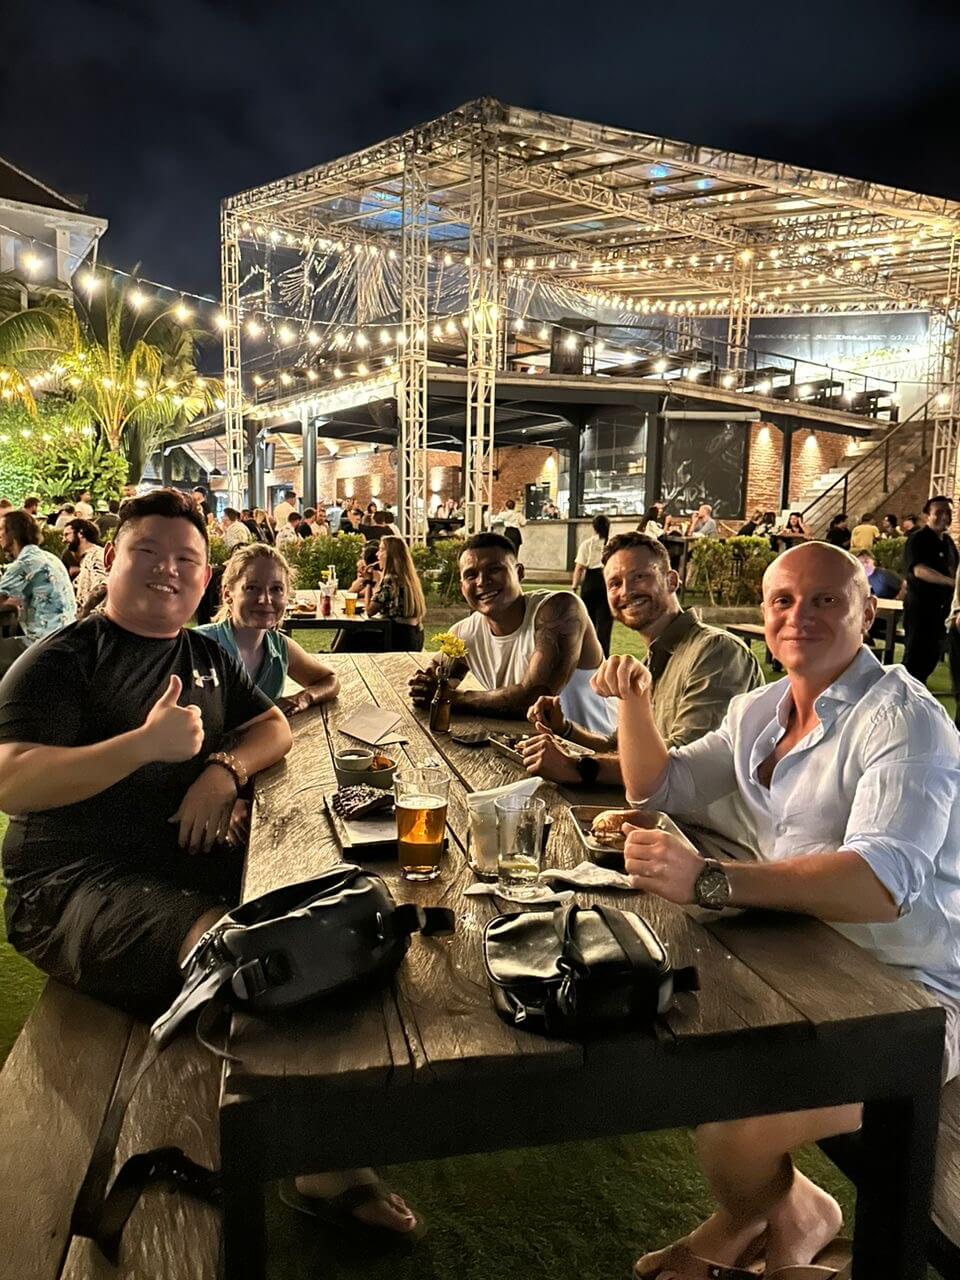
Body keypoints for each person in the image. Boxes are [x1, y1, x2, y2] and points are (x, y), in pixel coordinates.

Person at [596, 541, 960, 1277]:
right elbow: (658, 791)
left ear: (867, 612)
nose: (801, 616)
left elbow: (880, 885)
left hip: (916, 997)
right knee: (684, 1041)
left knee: (731, 1128)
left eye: (826, 599)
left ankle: (779, 1223)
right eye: (784, 601)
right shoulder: (761, 709)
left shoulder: (903, 722)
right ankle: (788, 1218)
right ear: (764, 615)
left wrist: (712, 880)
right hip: (814, 956)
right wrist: (634, 702)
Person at [520, 532, 762, 858]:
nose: (626, 591)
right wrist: (566, 730)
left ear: (672, 580)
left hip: (712, 855)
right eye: (615, 583)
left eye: (640, 577)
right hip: (658, 835)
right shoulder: (653, 660)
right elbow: (620, 749)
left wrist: (578, 767)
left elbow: (679, 770)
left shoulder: (716, 652)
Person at [408, 533, 616, 734]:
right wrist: (425, 685)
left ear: (519, 572)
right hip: (532, 751)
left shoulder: (559, 609)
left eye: (494, 569)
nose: (482, 581)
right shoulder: (464, 633)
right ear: (462, 587)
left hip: (596, 753)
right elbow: (436, 679)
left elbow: (533, 697)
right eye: (471, 575)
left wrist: (451, 698)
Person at [196, 543, 339, 714]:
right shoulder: (198, 645)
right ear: (228, 594)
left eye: (276, 589)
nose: (265, 599)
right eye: (251, 588)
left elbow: (330, 680)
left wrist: (303, 698)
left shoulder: (280, 647)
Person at [0, 510, 76, 677]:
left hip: (42, 644)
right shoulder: (49, 557)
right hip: (66, 639)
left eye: (1, 530)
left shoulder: (24, 562)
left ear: (12, 533)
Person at [902, 495, 958, 685]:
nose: (944, 517)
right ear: (927, 515)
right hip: (921, 608)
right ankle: (902, 699)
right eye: (939, 512)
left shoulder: (948, 543)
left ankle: (919, 698)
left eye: (948, 513)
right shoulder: (918, 539)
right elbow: (919, 570)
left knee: (931, 656)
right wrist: (952, 583)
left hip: (942, 611)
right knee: (914, 657)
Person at [364, 536, 426, 652]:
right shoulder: (408, 578)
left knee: (350, 634)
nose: (377, 554)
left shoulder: (390, 579)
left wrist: (368, 581)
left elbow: (369, 610)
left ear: (391, 555)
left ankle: (333, 658)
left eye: (381, 550)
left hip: (399, 639)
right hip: (416, 636)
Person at [573, 514, 613, 656]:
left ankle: (586, 655)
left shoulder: (587, 544)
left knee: (587, 622)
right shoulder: (612, 544)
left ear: (594, 527)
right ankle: (603, 656)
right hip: (606, 581)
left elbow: (579, 568)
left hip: (590, 582)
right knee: (605, 623)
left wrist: (574, 585)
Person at [63, 519, 108, 612]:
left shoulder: (96, 555)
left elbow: (102, 587)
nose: (64, 540)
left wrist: (84, 614)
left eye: (67, 534)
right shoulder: (88, 558)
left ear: (81, 533)